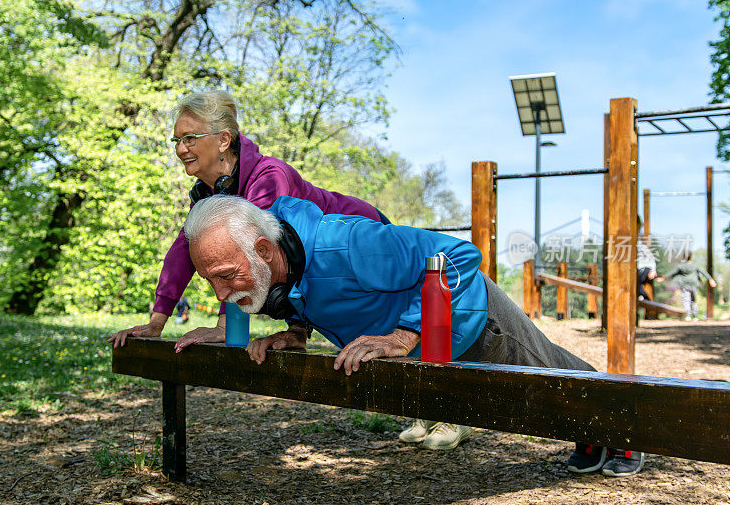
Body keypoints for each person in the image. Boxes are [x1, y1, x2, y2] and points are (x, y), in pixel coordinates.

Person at [177, 194, 645, 477]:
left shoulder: (351, 244)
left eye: (225, 275)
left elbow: (459, 255)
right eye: (211, 281)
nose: (221, 292)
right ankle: (592, 430)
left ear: (263, 249)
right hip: (433, 346)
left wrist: (404, 334)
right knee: (525, 399)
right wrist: (296, 332)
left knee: (547, 370)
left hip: (471, 319)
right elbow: (305, 294)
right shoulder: (282, 259)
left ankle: (626, 426)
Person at [108, 89, 386, 347]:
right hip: (322, 275)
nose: (181, 149)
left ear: (224, 140)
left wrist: (225, 325)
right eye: (177, 140)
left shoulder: (269, 178)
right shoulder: (208, 196)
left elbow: (245, 257)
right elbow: (181, 254)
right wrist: (157, 322)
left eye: (190, 138)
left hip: (366, 234)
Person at [657, 251, 717, 321]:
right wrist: (711, 280)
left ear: (683, 257)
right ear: (691, 257)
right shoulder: (695, 265)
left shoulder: (681, 266)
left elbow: (672, 272)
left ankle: (687, 316)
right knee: (693, 300)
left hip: (685, 284)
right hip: (693, 284)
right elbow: (703, 272)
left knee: (686, 300)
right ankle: (695, 316)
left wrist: (663, 278)